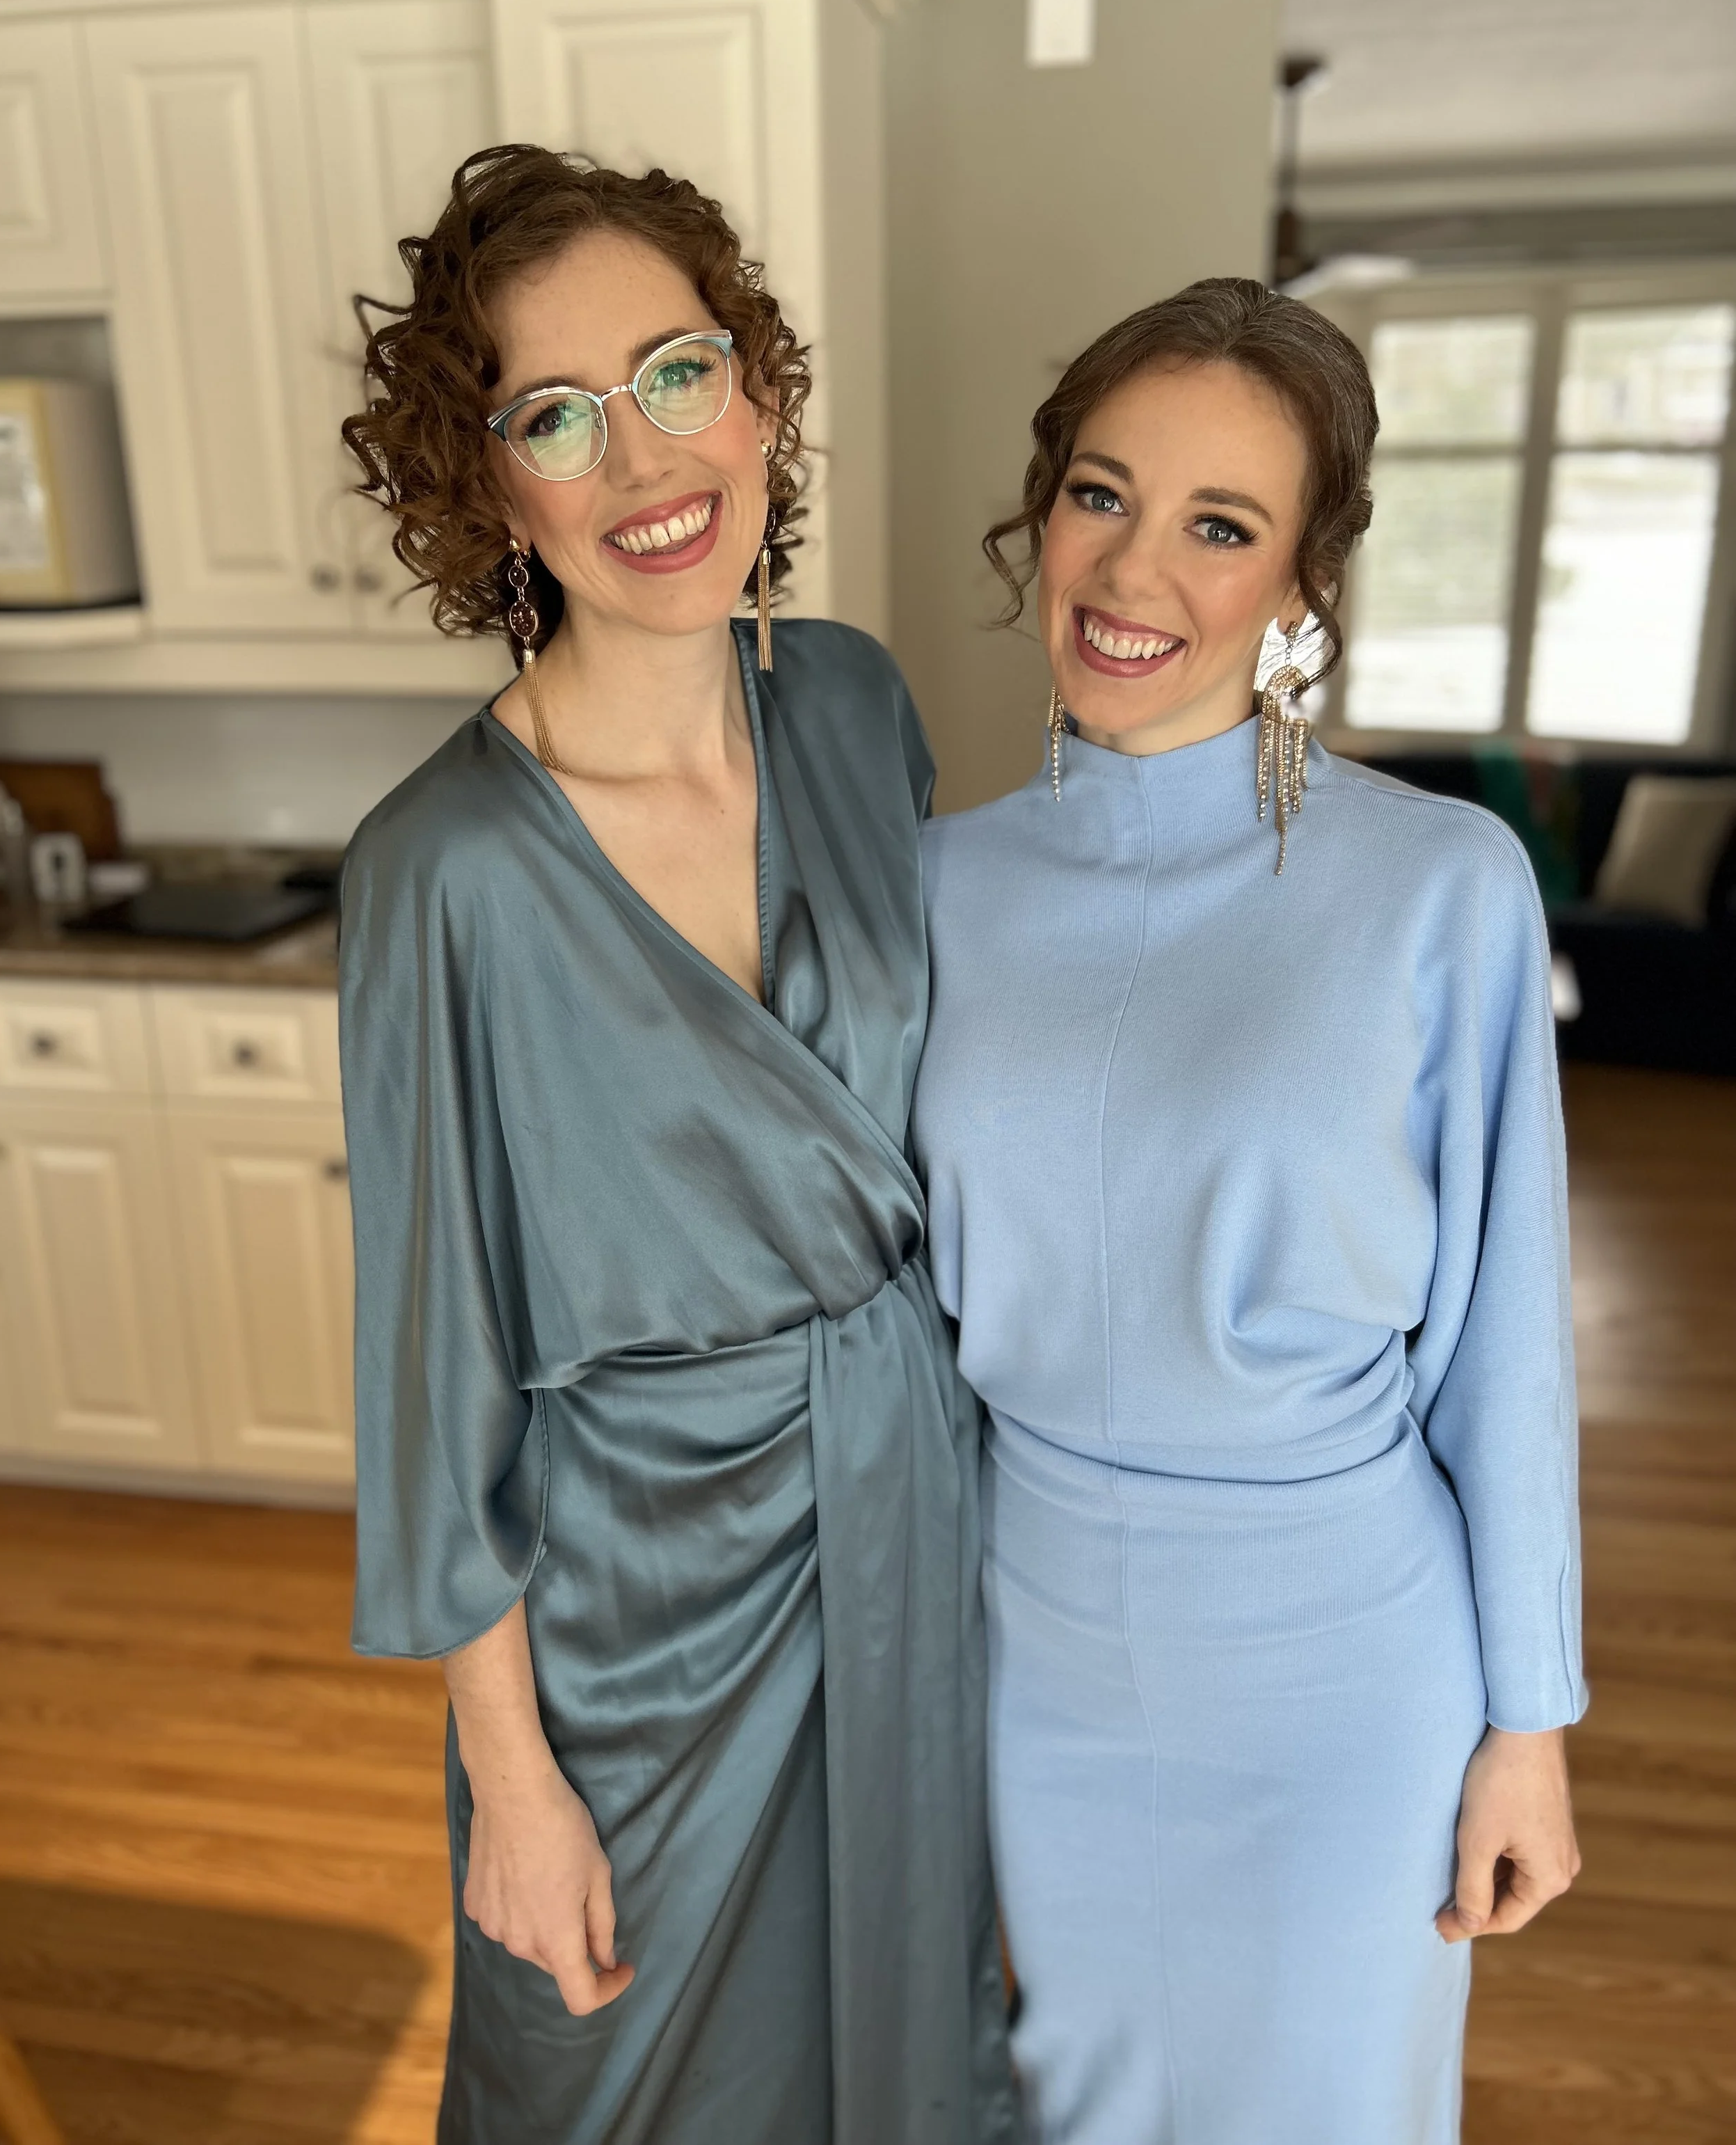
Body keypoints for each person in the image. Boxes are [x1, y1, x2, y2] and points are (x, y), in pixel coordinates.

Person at [338, 144, 1017, 2145]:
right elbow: (429, 1355)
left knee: (905, 2044)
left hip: (910, 1518)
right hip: (636, 1620)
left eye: (674, 371)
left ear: (762, 395)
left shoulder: (857, 708)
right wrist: (515, 1776)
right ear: (490, 489)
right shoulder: (439, 868)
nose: (638, 457)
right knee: (601, 2082)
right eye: (552, 413)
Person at [910, 278, 1585, 2144]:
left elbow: (1505, 1348)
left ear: (1299, 587)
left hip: (1339, 1671)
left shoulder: (1435, 886)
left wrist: (1525, 1725)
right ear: (1038, 515)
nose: (1135, 571)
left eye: (1220, 526)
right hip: (1032, 1651)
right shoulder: (925, 887)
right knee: (1073, 2108)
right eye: (1099, 495)